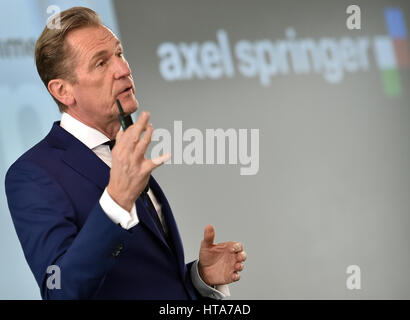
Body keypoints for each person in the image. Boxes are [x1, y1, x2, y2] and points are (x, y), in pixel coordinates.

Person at [4, 6, 246, 300]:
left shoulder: (124, 150)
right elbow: (60, 292)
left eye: (119, 53)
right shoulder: (33, 173)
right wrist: (115, 202)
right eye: (101, 63)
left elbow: (146, 282)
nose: (123, 69)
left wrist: (199, 278)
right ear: (63, 91)